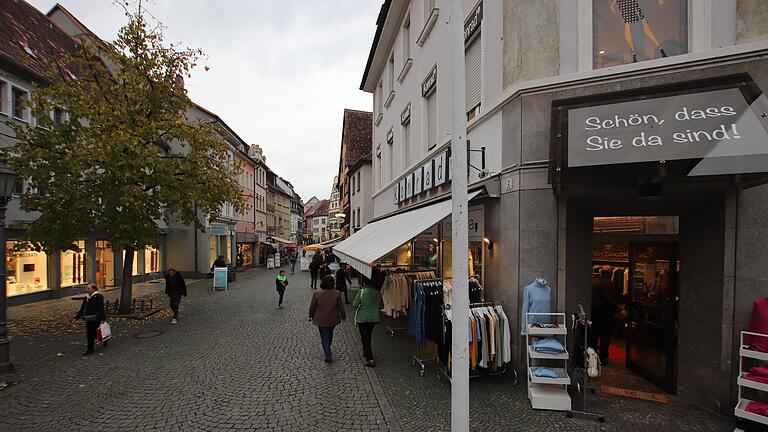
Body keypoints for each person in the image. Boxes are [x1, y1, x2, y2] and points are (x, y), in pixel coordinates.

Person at [308, 275, 346, 362]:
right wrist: (343, 316)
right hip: (333, 318)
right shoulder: (336, 293)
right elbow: (341, 307)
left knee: (324, 336)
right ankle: (327, 348)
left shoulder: (317, 294)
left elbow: (312, 306)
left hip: (321, 319)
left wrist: (310, 315)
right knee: (330, 334)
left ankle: (328, 354)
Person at [353, 279, 384, 367]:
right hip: (374, 318)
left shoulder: (361, 292)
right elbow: (382, 306)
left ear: (364, 283)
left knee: (364, 337)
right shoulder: (377, 292)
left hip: (363, 318)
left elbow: (355, 304)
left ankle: (369, 359)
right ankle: (366, 352)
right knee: (368, 335)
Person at [591, 266, 618, 365]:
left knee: (594, 336)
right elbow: (609, 300)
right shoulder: (609, 284)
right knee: (605, 337)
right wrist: (618, 309)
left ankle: (593, 357)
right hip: (605, 315)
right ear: (611, 274)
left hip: (593, 313)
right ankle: (603, 358)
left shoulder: (594, 282)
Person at [74, 283, 106, 356]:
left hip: (96, 318)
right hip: (88, 318)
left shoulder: (99, 297)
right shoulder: (86, 297)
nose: (87, 290)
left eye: (89, 288)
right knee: (90, 333)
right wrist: (78, 316)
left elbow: (101, 308)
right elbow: (83, 307)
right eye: (87, 288)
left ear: (94, 289)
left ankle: (104, 340)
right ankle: (90, 348)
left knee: (96, 332)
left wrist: (103, 318)